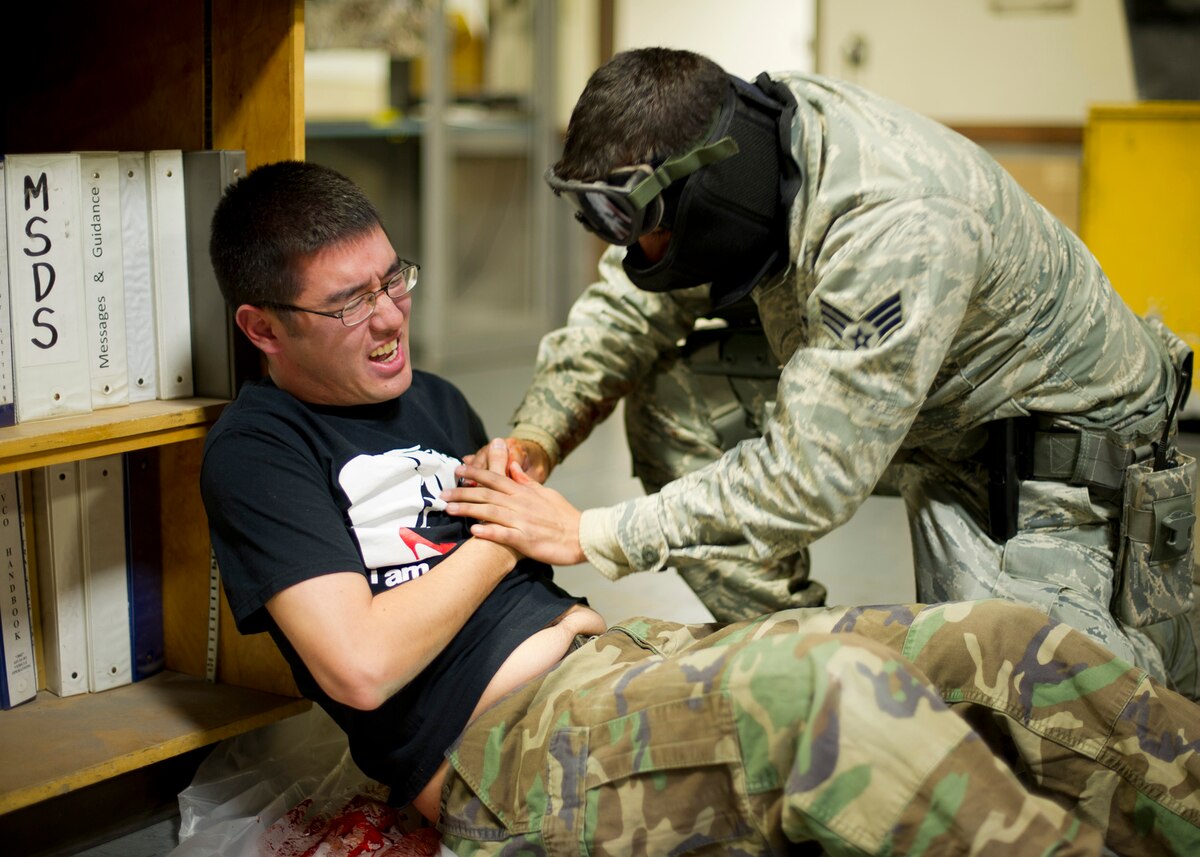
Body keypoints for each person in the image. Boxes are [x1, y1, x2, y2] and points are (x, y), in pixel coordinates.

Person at [200, 159, 1200, 856]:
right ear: (263, 327)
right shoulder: (259, 449)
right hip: (500, 752)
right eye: (347, 303)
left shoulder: (429, 399)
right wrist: (504, 543)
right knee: (842, 695)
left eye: (393, 281)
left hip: (610, 663)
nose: (387, 318)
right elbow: (362, 665)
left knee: (1000, 645)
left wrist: (526, 526)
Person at [468, 47, 1199, 697]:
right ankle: (806, 666)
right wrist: (538, 438)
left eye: (628, 215)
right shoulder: (743, 151)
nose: (624, 241)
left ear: (705, 186)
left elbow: (811, 476)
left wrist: (592, 533)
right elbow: (628, 310)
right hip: (927, 413)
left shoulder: (893, 220)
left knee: (1053, 735)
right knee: (676, 399)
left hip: (1057, 466)